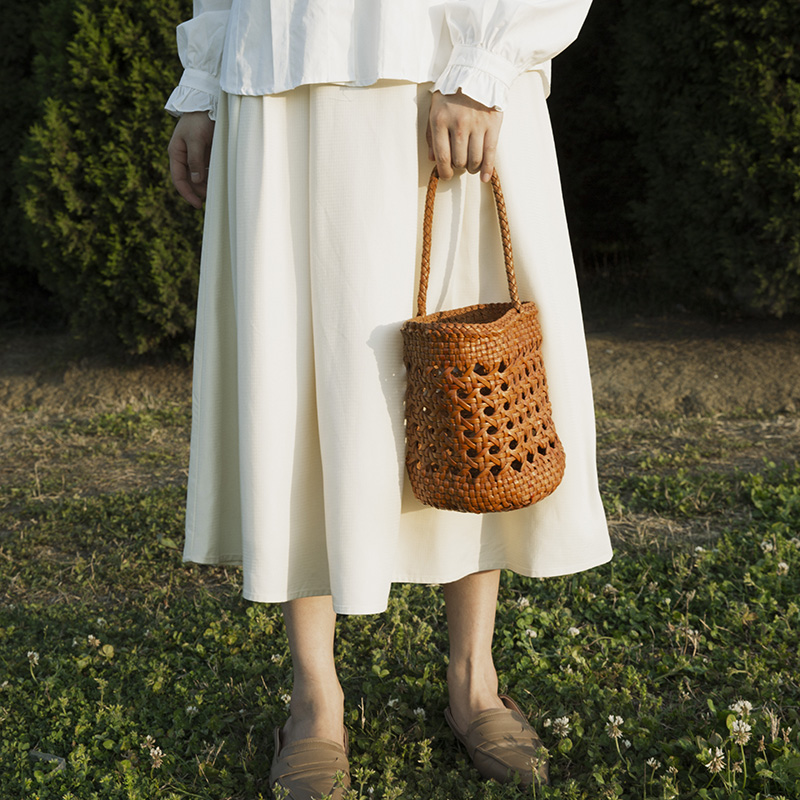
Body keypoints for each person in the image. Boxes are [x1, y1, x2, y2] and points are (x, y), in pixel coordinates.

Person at [166, 1, 612, 797]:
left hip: (439, 68)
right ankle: (314, 699)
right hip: (278, 76)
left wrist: (482, 69)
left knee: (465, 374)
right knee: (294, 366)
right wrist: (202, 79)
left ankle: (475, 679)